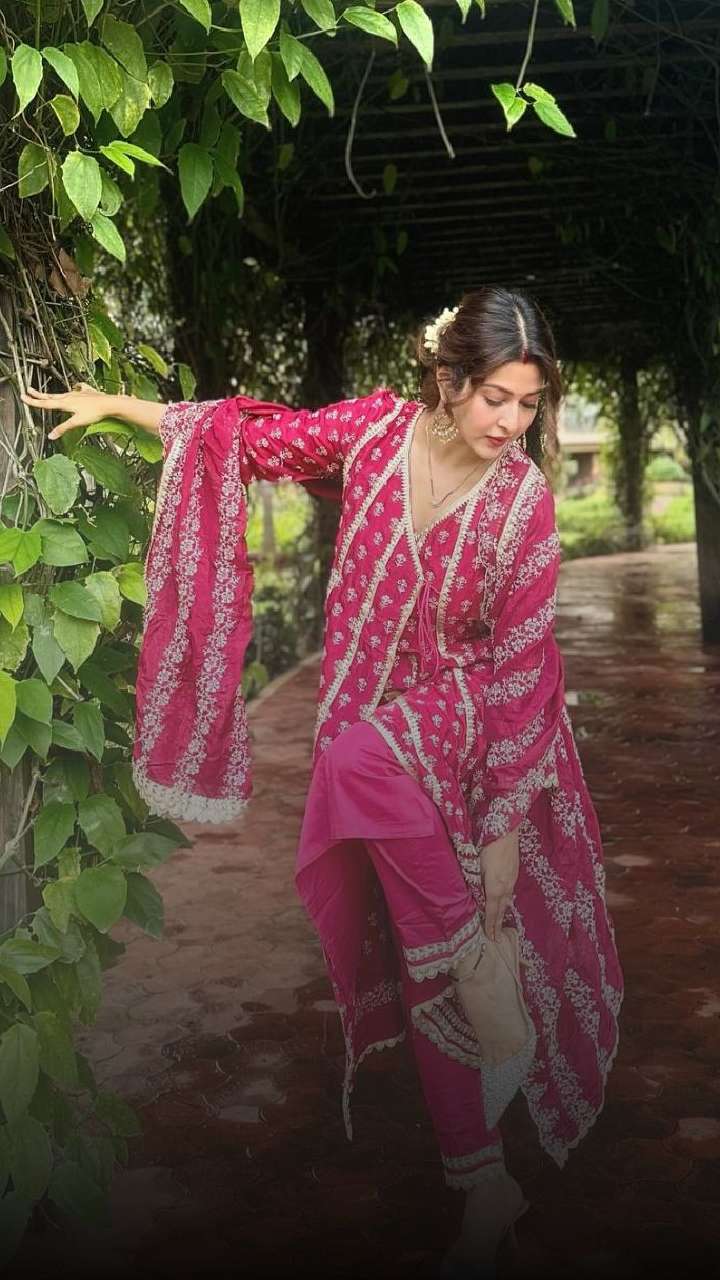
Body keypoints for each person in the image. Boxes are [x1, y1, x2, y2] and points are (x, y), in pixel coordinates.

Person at [21, 286, 624, 1278]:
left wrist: (506, 833)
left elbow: (521, 671)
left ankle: (478, 972)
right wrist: (120, 406)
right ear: (448, 380)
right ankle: (485, 1185)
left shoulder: (523, 500)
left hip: (473, 728)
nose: (511, 423)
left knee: (356, 767)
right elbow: (251, 438)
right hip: (371, 728)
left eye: (528, 404)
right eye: (496, 398)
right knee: (426, 965)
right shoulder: (375, 435)